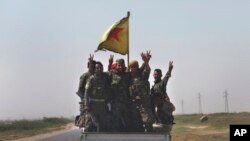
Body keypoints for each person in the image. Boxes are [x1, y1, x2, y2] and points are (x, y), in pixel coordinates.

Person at [128, 51, 154, 132]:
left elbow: (148, 69)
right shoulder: (128, 78)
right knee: (135, 124)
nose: (133, 69)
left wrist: (146, 61)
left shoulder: (143, 76)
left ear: (137, 68)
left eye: (135, 67)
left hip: (144, 105)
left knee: (147, 123)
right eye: (131, 67)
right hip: (134, 105)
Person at [84, 61, 112, 132]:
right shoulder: (91, 79)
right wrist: (86, 105)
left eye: (100, 68)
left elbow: (109, 89)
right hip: (93, 105)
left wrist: (110, 63)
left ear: (102, 69)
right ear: (94, 69)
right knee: (93, 123)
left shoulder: (106, 77)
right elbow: (86, 92)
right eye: (97, 68)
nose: (99, 69)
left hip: (103, 104)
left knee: (103, 124)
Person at [108, 58, 132, 132]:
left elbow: (138, 71)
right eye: (119, 65)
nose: (120, 67)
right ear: (116, 66)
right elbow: (102, 76)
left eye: (122, 65)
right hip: (115, 104)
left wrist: (145, 62)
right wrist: (109, 64)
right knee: (115, 123)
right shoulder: (111, 74)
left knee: (127, 123)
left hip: (125, 103)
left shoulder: (127, 75)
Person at [150, 61, 175, 133]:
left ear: (160, 75)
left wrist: (169, 70)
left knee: (164, 125)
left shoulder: (161, 84)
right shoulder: (154, 86)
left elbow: (166, 79)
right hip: (156, 108)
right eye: (154, 74)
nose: (155, 75)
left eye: (157, 74)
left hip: (162, 108)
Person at [75, 54, 96, 128]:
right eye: (91, 66)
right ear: (88, 66)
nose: (93, 68)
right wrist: (85, 100)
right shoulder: (85, 76)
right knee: (86, 117)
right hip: (85, 100)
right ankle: (82, 120)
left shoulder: (97, 76)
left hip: (95, 101)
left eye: (94, 66)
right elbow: (80, 90)